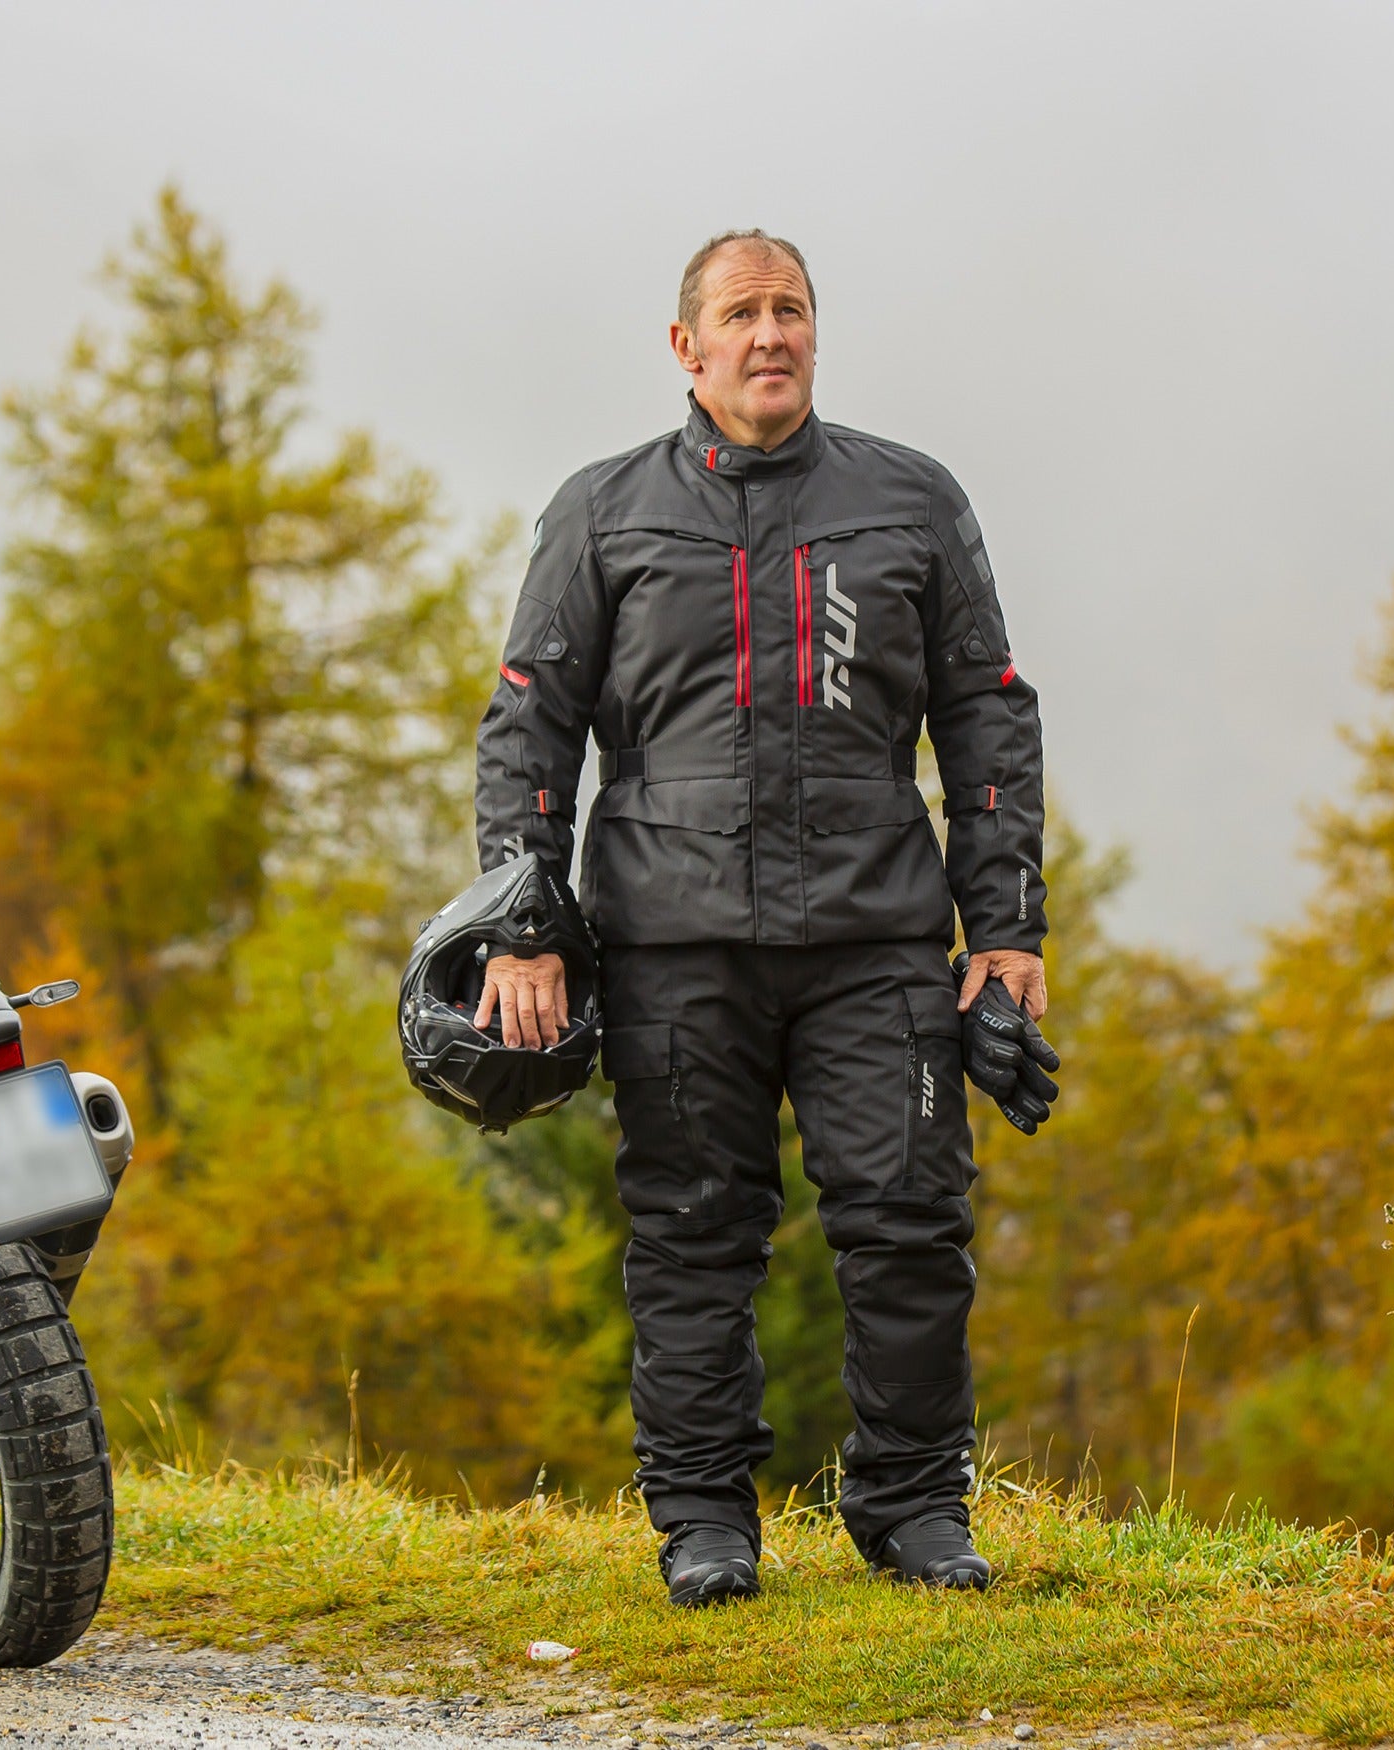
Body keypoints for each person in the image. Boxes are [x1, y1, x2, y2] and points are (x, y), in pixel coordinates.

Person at [469, 229, 1048, 1605]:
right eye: (740, 313)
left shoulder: (911, 499)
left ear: (814, 332)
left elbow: (988, 718)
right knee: (692, 1234)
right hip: (672, 950)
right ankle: (704, 1523)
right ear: (688, 347)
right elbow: (528, 731)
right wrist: (525, 926)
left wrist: (1007, 929)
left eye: (790, 309)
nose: (769, 333)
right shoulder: (603, 511)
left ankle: (914, 1508)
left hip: (877, 943)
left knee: (911, 1227)